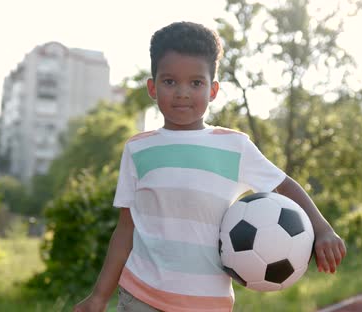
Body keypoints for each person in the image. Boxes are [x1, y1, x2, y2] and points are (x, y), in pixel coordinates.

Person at [73, 21, 346, 312]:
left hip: (207, 303)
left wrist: (323, 229)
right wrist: (100, 296)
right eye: (169, 82)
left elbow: (283, 184)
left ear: (213, 90)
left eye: (196, 83)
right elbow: (125, 230)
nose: (182, 93)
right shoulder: (138, 149)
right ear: (152, 87)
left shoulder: (234, 147)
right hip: (141, 295)